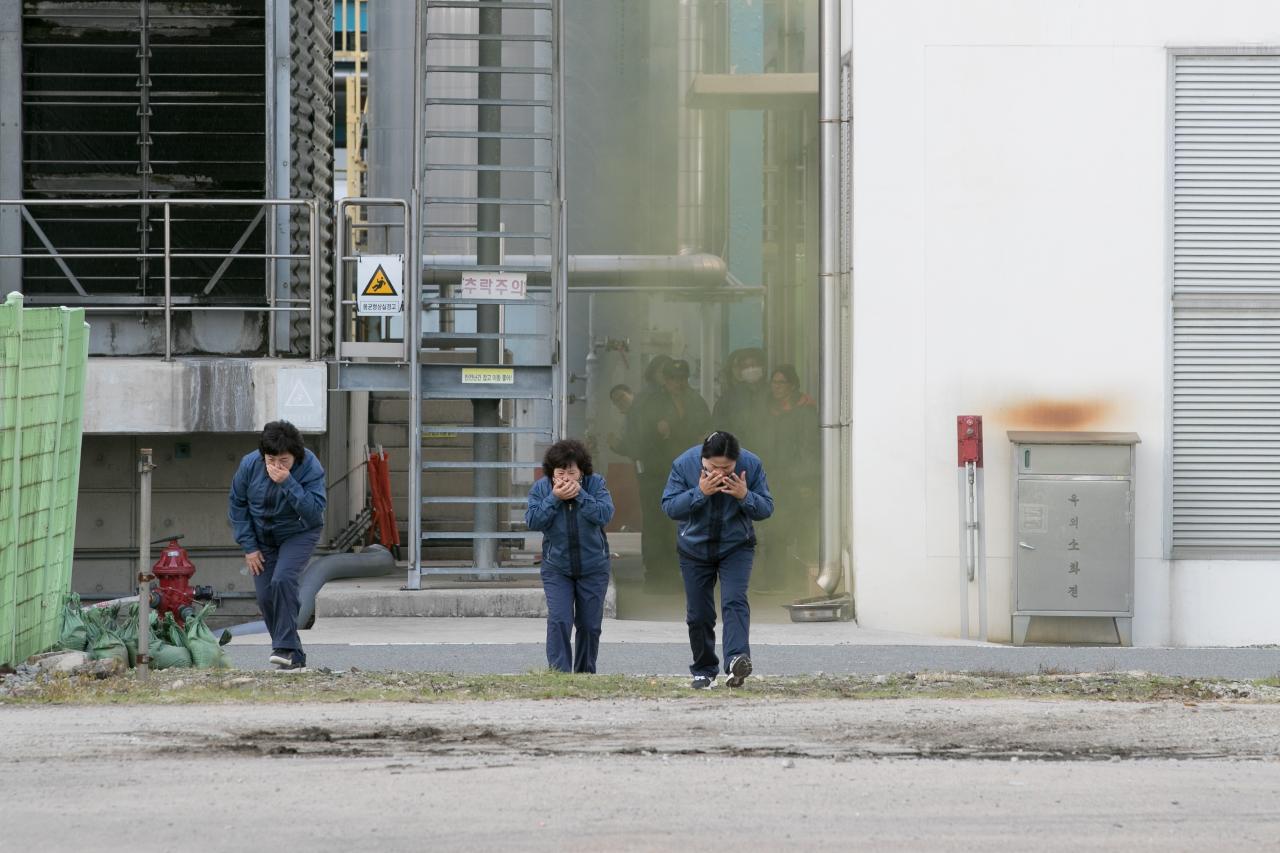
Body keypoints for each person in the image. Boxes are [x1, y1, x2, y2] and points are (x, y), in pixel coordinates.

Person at [661, 430, 773, 689]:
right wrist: (699, 492)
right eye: (713, 467)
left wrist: (745, 495)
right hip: (694, 548)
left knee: (734, 601)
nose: (720, 473)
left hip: (736, 546)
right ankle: (703, 670)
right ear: (703, 459)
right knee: (698, 613)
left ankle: (736, 661)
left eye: (727, 467)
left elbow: (766, 508)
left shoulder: (752, 464)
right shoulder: (683, 464)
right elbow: (669, 507)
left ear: (738, 460)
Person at [228, 420, 327, 671]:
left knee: (282, 580)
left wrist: (288, 482)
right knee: (265, 596)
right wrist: (249, 547)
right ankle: (293, 655)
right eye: (271, 460)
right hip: (262, 537)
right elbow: (237, 506)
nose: (276, 466)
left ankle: (283, 648)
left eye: (284, 461)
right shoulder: (250, 465)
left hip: (299, 532)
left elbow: (315, 513)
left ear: (296, 455)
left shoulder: (310, 467)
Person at [525, 439, 615, 673]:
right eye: (561, 472)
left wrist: (581, 496)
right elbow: (533, 521)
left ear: (582, 472)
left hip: (594, 566)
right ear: (551, 473)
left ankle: (585, 673)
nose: (566, 478)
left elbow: (605, 515)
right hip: (557, 568)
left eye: (572, 472)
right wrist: (554, 498)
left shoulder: (596, 484)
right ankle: (559, 673)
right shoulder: (542, 489)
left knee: (589, 625)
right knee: (560, 620)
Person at [761, 364, 820, 591]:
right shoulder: (769, 409)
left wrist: (806, 481)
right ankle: (775, 580)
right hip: (775, 478)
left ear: (793, 385)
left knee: (802, 530)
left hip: (798, 481)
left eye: (781, 383)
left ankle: (802, 583)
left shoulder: (804, 411)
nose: (776, 387)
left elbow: (808, 449)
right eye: (773, 382)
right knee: (775, 527)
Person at [712, 348, 770, 450]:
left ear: (763, 368)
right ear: (741, 371)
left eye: (754, 365)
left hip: (770, 455)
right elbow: (719, 425)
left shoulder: (774, 392)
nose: (750, 369)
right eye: (745, 366)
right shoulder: (729, 397)